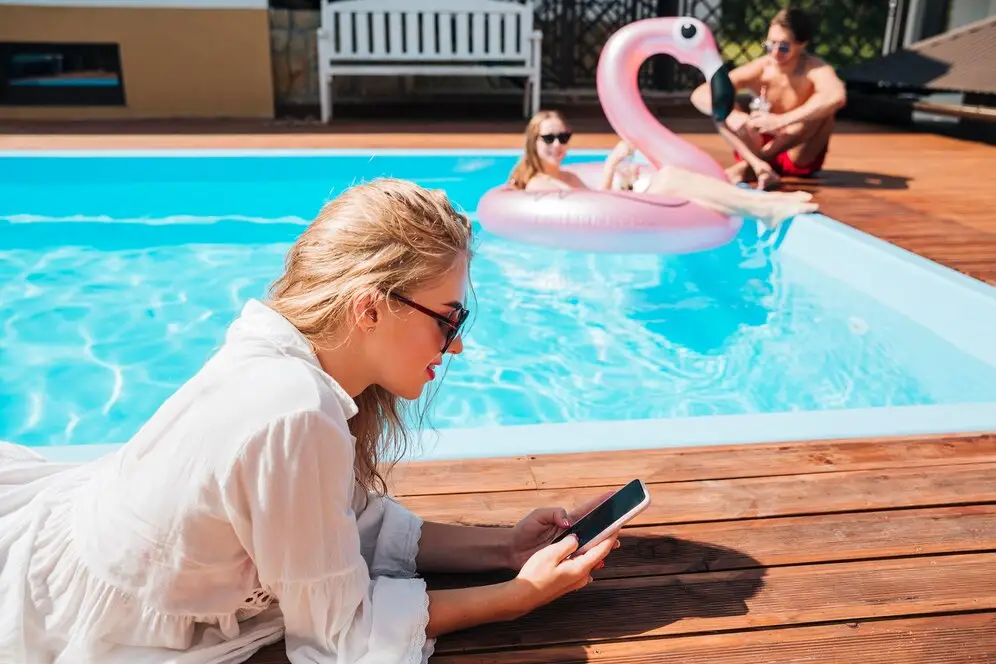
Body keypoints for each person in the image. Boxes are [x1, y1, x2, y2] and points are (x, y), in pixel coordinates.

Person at [0, 179, 619, 664]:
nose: (455, 346)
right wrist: (517, 598)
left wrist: (505, 548)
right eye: (447, 319)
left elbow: (338, 524)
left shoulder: (280, 351)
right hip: (84, 620)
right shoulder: (294, 412)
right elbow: (339, 632)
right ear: (370, 307)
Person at [508, 110, 818, 228]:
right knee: (670, 178)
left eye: (563, 136)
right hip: (613, 225)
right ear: (533, 141)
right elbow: (592, 212)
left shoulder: (569, 174)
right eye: (548, 137)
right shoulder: (539, 183)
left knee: (679, 181)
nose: (558, 144)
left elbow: (597, 199)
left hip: (615, 213)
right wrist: (614, 166)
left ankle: (765, 205)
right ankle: (763, 206)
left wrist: (616, 173)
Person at [690, 7, 847, 189]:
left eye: (784, 46)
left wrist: (781, 121)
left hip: (795, 152)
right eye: (770, 44)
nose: (775, 52)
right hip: (755, 146)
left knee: (823, 114)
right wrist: (733, 115)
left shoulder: (814, 69)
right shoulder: (762, 68)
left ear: (802, 45)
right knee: (723, 105)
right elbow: (700, 94)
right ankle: (756, 165)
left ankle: (749, 167)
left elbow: (836, 96)